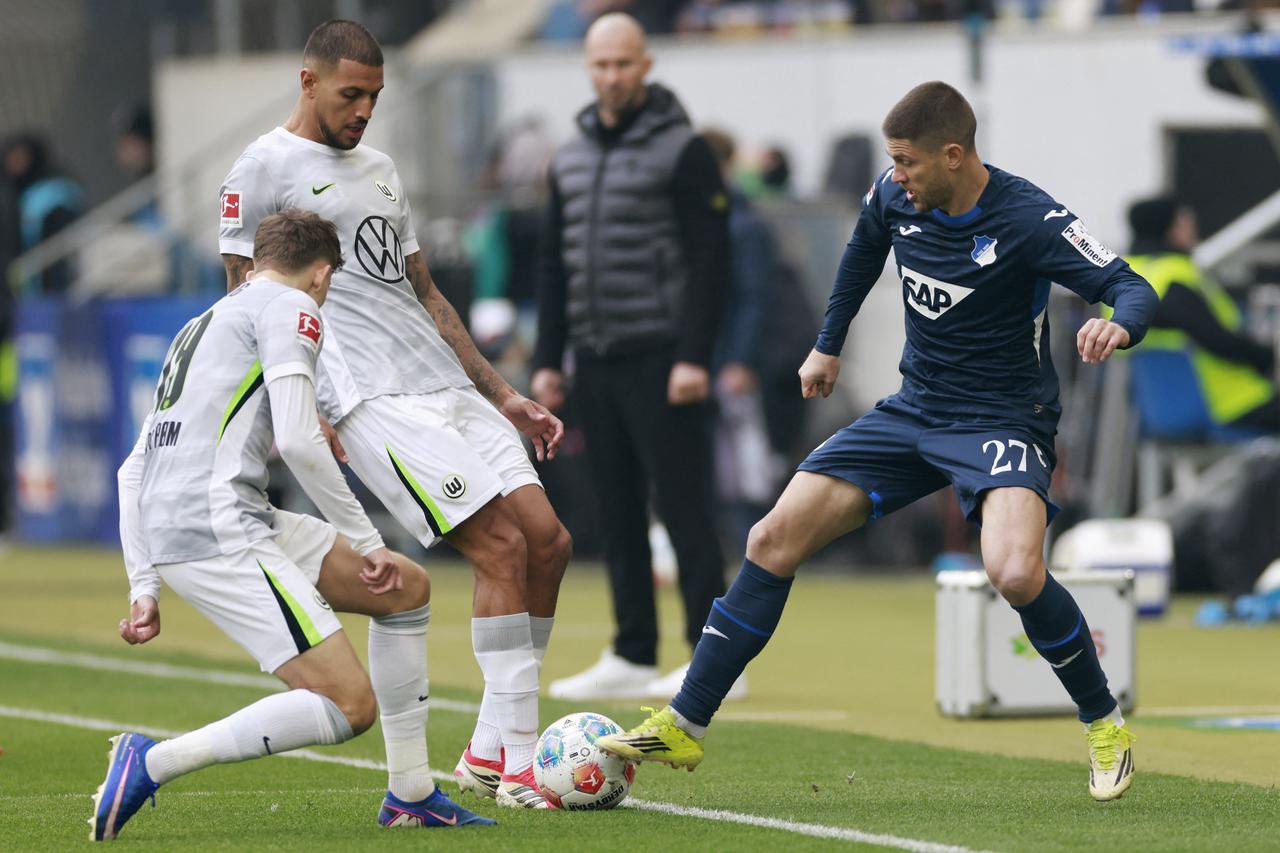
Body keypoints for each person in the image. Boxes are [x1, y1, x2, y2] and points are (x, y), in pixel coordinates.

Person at [599, 81, 1158, 803]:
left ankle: (1105, 723)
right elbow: (862, 252)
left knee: (1015, 573)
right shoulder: (896, 196)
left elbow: (1131, 284)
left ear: (953, 156)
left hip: (1001, 420)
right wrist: (826, 347)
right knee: (772, 537)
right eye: (892, 162)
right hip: (913, 409)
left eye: (907, 162)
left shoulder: (1030, 218)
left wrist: (1119, 324)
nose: (895, 175)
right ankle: (685, 723)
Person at [217, 21, 571, 810]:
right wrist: (296, 401)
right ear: (307, 82)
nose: (365, 111)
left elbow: (424, 291)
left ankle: (485, 749)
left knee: (549, 540)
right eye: (351, 94)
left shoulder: (379, 168)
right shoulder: (261, 168)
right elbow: (243, 303)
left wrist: (502, 393)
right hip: (370, 396)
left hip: (444, 384)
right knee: (502, 545)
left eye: (375, 96)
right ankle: (520, 764)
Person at [93, 210, 494, 840]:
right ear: (323, 273)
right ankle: (150, 761)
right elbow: (301, 441)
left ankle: (412, 793)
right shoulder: (291, 308)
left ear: (256, 263)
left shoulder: (200, 325)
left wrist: (144, 585)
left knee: (405, 590)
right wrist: (367, 541)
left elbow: (131, 470)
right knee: (349, 704)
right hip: (219, 529)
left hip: (203, 517)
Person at [531, 13, 731, 701]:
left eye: (623, 63)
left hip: (663, 355)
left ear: (646, 65)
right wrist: (549, 357)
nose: (612, 76)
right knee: (612, 508)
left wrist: (695, 355)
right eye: (600, 65)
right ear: (587, 69)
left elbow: (712, 261)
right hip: (595, 354)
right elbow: (556, 266)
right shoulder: (572, 154)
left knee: (683, 505)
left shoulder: (684, 150)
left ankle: (713, 657)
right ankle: (634, 648)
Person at [1125, 196, 1278, 431]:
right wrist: (1267, 357)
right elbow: (1217, 340)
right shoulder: (1174, 276)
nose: (1193, 227)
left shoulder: (1123, 274)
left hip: (1159, 410)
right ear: (1171, 228)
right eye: (1185, 221)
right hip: (1231, 403)